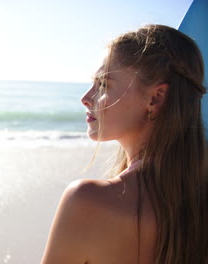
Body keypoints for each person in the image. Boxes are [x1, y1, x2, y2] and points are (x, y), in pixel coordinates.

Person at [41, 24, 207, 264]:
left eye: (103, 84)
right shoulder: (197, 197)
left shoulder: (88, 201)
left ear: (155, 97)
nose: (86, 98)